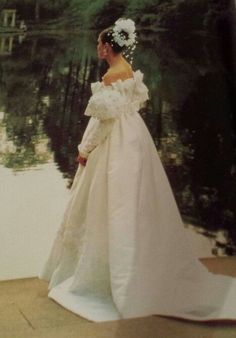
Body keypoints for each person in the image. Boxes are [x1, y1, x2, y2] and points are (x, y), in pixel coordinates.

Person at [40, 18, 236, 322]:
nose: (97, 48)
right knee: (132, 202)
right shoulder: (130, 72)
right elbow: (129, 107)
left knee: (108, 203)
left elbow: (102, 122)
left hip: (114, 142)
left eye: (98, 44)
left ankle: (108, 274)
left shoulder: (109, 77)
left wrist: (84, 150)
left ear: (107, 47)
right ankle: (133, 263)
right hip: (134, 138)